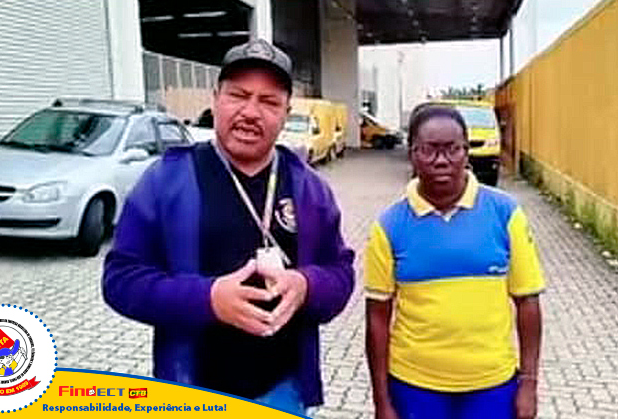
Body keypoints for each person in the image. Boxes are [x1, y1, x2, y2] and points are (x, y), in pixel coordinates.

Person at [102, 39, 354, 415]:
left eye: (268, 102)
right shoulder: (166, 179)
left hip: (284, 391)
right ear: (216, 98)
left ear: (286, 113)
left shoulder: (310, 188)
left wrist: (306, 286)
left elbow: (342, 274)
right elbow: (120, 280)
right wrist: (208, 299)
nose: (250, 112)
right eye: (238, 95)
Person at [364, 104, 545, 419]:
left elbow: (527, 302)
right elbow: (377, 318)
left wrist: (528, 384)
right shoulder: (389, 226)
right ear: (412, 153)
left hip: (492, 386)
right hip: (414, 387)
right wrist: (382, 400)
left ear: (466, 152)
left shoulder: (505, 214)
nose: (441, 160)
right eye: (429, 150)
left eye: (453, 149)